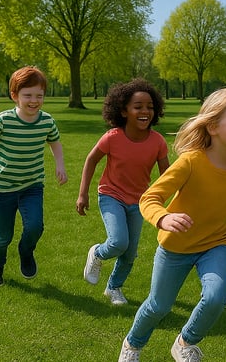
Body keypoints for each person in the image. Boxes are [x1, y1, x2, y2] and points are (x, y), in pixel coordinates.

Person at [118, 87, 226, 362]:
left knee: (215, 298)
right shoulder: (191, 161)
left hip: (218, 244)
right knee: (158, 306)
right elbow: (150, 198)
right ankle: (132, 344)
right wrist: (163, 217)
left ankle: (185, 342)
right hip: (176, 247)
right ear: (213, 125)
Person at [0, 66, 68, 288]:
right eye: (28, 95)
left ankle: (26, 253)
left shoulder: (46, 121)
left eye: (39, 95)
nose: (34, 101)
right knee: (3, 236)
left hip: (32, 186)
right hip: (3, 189)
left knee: (35, 226)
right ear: (14, 96)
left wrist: (60, 165)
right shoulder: (3, 120)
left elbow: (55, 142)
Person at [77, 78, 170, 305]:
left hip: (139, 202)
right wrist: (83, 194)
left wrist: (170, 203)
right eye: (138, 106)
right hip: (111, 195)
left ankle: (113, 288)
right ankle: (97, 253)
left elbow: (168, 176)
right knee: (119, 242)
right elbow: (91, 161)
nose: (145, 111)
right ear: (123, 110)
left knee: (129, 254)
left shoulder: (158, 142)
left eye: (149, 107)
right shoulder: (113, 137)